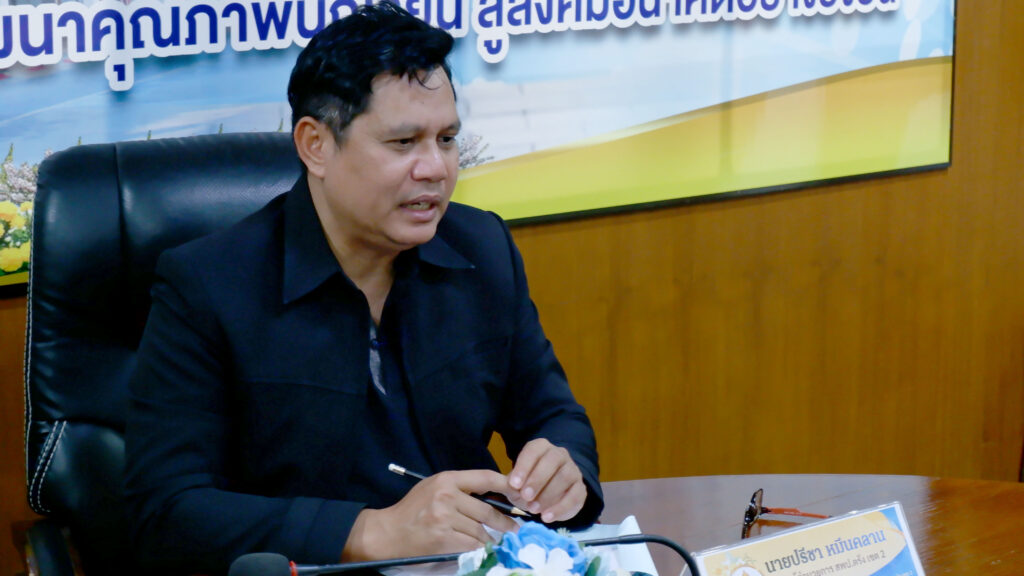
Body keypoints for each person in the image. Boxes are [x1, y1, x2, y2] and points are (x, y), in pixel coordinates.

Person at [123, 3, 602, 574]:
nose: (436, 168)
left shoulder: (482, 248)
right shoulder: (208, 286)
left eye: (447, 138)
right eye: (403, 142)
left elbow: (553, 415)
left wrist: (564, 468)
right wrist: (369, 531)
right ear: (316, 146)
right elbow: (165, 511)